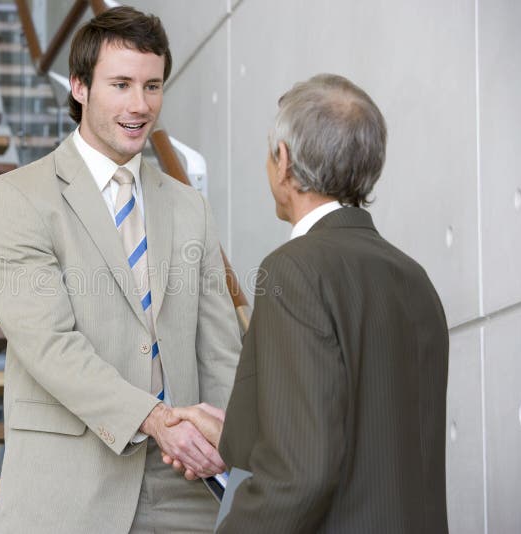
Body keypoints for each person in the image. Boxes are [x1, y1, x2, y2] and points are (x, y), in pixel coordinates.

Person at [0, 6, 241, 533]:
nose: (139, 105)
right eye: (121, 84)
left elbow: (220, 353)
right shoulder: (18, 198)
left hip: (187, 487)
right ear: (79, 87)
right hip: (72, 487)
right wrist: (159, 421)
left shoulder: (191, 208)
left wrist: (228, 441)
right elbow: (51, 346)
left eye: (152, 86)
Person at [168, 74, 449, 533]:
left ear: (284, 162)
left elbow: (301, 474)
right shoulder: (414, 278)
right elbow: (367, 434)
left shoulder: (293, 270)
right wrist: (235, 435)